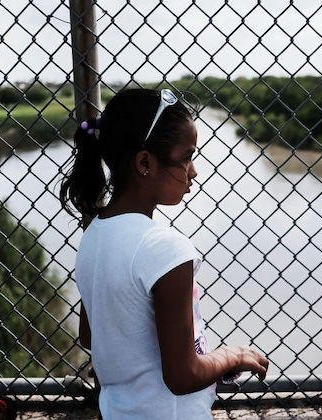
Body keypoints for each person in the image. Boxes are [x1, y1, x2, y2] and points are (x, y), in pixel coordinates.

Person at [60, 88, 269, 419]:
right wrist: (231, 356)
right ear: (145, 162)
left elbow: (90, 335)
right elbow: (182, 376)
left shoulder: (94, 235)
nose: (194, 171)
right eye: (186, 157)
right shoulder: (165, 248)